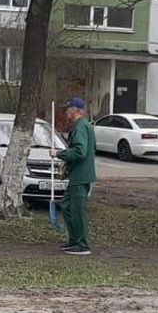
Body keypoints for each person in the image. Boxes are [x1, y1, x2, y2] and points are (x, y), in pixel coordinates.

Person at [55, 97, 97, 256]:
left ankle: (82, 244)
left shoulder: (81, 127)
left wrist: (60, 154)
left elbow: (80, 151)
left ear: (74, 110)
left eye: (67, 109)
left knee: (77, 210)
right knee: (66, 206)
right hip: (78, 175)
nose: (66, 112)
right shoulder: (83, 126)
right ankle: (74, 240)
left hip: (81, 176)